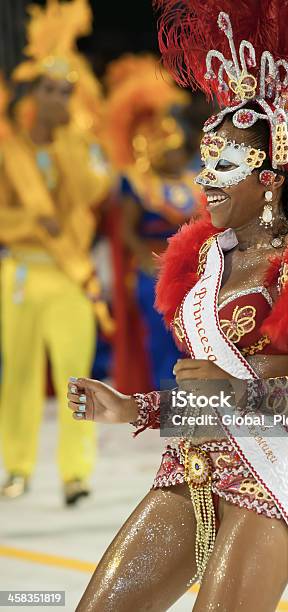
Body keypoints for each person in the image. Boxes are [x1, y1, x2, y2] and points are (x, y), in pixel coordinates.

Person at [67, 2, 288, 610]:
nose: (206, 178)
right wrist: (134, 408)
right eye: (206, 160)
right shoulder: (206, 264)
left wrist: (240, 394)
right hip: (189, 467)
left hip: (270, 483)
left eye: (226, 163)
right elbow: (209, 387)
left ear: (271, 176)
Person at [0, 0, 112, 505]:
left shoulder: (80, 146)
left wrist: (70, 138)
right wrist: (30, 222)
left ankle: (76, 473)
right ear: (32, 92)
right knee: (20, 373)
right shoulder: (9, 151)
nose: (56, 98)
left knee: (76, 375)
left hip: (71, 276)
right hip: (22, 272)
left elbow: (93, 193)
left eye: (66, 91)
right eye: (49, 89)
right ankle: (18, 467)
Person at [104, 55, 202, 391]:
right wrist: (145, 259)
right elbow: (125, 230)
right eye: (167, 150)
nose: (174, 155)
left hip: (190, 269)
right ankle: (162, 397)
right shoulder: (139, 183)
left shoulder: (195, 181)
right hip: (152, 268)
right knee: (161, 336)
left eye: (177, 149)